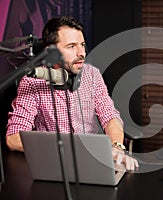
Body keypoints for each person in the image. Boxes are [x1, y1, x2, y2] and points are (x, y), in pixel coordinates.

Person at [5, 16, 138, 170]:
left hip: (92, 161)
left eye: (82, 45)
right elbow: (13, 138)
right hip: (53, 164)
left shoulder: (92, 75)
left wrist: (117, 147)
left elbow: (109, 116)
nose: (81, 52)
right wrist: (66, 149)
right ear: (50, 53)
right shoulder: (32, 83)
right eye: (71, 46)